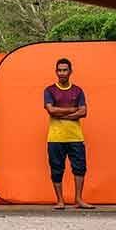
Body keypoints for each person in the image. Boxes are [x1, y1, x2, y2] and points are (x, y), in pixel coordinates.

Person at [44, 58, 94, 210]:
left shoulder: (78, 91)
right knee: (56, 169)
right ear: (56, 72)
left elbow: (83, 112)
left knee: (80, 168)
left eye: (65, 70)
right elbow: (51, 110)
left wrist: (61, 114)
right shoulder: (49, 90)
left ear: (70, 72)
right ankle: (60, 201)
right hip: (55, 137)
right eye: (59, 70)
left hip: (75, 136)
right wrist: (73, 110)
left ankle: (78, 200)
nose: (62, 73)